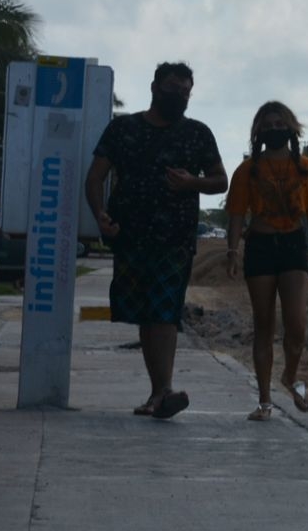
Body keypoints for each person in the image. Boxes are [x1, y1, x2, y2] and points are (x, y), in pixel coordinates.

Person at [85, 62, 228, 419]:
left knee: (164, 311)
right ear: (154, 87)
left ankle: (163, 391)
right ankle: (156, 392)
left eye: (184, 91)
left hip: (175, 239)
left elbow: (220, 181)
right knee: (145, 313)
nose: (178, 96)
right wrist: (99, 215)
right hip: (129, 236)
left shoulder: (198, 133)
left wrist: (192, 183)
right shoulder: (123, 128)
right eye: (172, 88)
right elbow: (95, 177)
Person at [224, 101, 308, 421]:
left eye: (279, 124)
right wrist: (232, 252)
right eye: (268, 125)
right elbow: (236, 215)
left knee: (296, 324)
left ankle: (290, 375)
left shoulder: (307, 169)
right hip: (259, 246)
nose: (274, 130)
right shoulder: (247, 171)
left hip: (293, 246)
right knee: (263, 324)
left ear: (291, 128)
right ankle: (265, 401)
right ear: (259, 131)